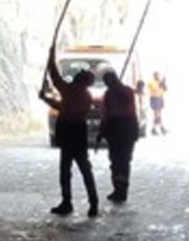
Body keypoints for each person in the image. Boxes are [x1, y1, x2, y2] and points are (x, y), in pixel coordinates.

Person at [38, 46, 99, 217]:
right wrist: (46, 99)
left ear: (80, 80)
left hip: (69, 132)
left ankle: (67, 202)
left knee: (66, 170)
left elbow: (55, 78)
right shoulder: (85, 95)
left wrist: (51, 60)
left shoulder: (72, 90)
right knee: (85, 169)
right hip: (78, 133)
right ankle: (93, 203)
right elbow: (64, 106)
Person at [97, 70, 139, 203]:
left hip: (120, 128)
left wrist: (102, 130)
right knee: (119, 161)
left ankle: (121, 190)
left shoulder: (117, 93)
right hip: (122, 129)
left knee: (120, 161)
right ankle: (119, 189)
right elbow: (106, 114)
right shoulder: (119, 92)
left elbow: (109, 114)